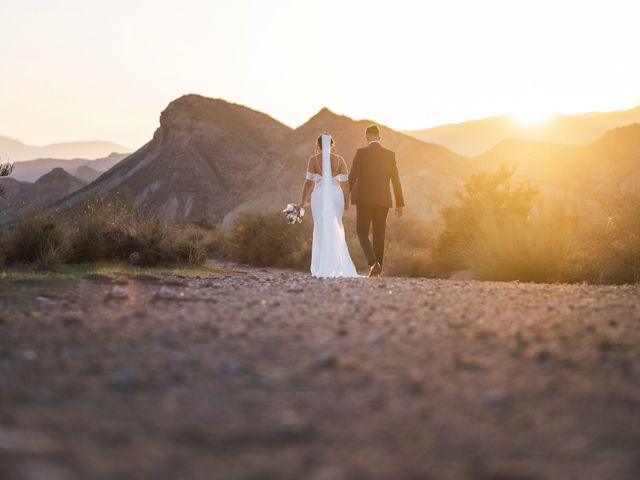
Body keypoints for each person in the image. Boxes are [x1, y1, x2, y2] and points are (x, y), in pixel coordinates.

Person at [298, 134, 358, 278]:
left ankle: (321, 266)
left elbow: (308, 183)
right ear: (332, 144)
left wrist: (302, 201)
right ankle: (336, 265)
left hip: (319, 195)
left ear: (318, 145)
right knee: (336, 225)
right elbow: (345, 183)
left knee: (320, 226)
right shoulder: (340, 160)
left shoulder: (313, 160)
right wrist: (347, 199)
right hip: (336, 195)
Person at [349, 125, 404, 277]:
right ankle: (377, 271)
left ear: (367, 137)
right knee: (379, 233)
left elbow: (352, 176)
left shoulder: (361, 153)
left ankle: (374, 263)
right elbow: (396, 179)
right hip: (383, 199)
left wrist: (344, 195)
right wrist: (400, 203)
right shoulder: (390, 155)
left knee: (362, 232)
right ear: (380, 138)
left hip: (364, 199)